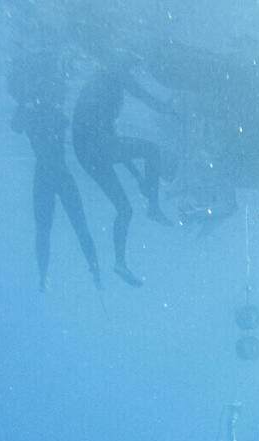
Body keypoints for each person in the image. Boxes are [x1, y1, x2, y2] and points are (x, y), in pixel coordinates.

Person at [72, 54, 173, 287]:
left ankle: (120, 263)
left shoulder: (100, 85)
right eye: (131, 63)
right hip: (95, 148)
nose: (133, 69)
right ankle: (154, 208)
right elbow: (141, 95)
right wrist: (167, 109)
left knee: (125, 209)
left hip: (88, 155)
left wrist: (137, 175)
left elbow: (110, 139)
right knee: (152, 150)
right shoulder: (112, 77)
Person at [8, 52, 100, 291]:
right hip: (60, 175)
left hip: (46, 177)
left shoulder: (37, 114)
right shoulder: (51, 113)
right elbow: (22, 123)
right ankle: (91, 268)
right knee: (75, 226)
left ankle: (47, 275)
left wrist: (26, 100)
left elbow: (16, 125)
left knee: (48, 230)